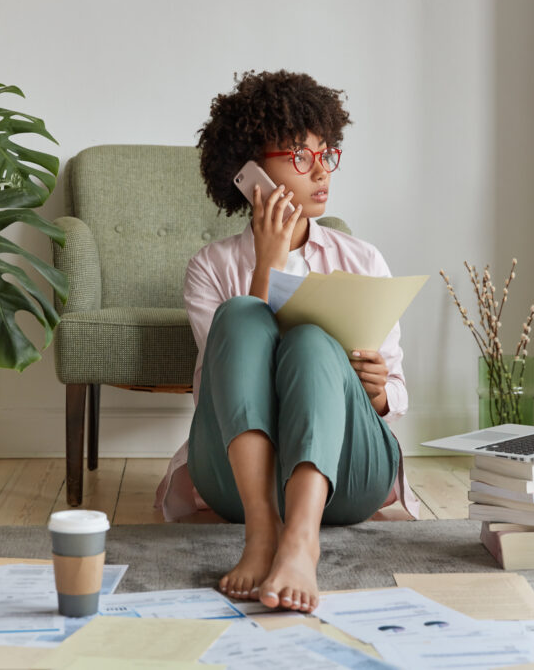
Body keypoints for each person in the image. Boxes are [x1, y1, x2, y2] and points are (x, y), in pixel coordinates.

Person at [154, 70, 419, 613]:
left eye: (327, 154)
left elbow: (396, 390)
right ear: (250, 173)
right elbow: (231, 384)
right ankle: (262, 532)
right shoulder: (210, 268)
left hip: (346, 476)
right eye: (300, 157)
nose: (322, 171)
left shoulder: (363, 260)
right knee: (242, 315)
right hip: (236, 482)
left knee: (312, 342)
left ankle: (301, 541)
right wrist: (267, 269)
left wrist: (377, 393)